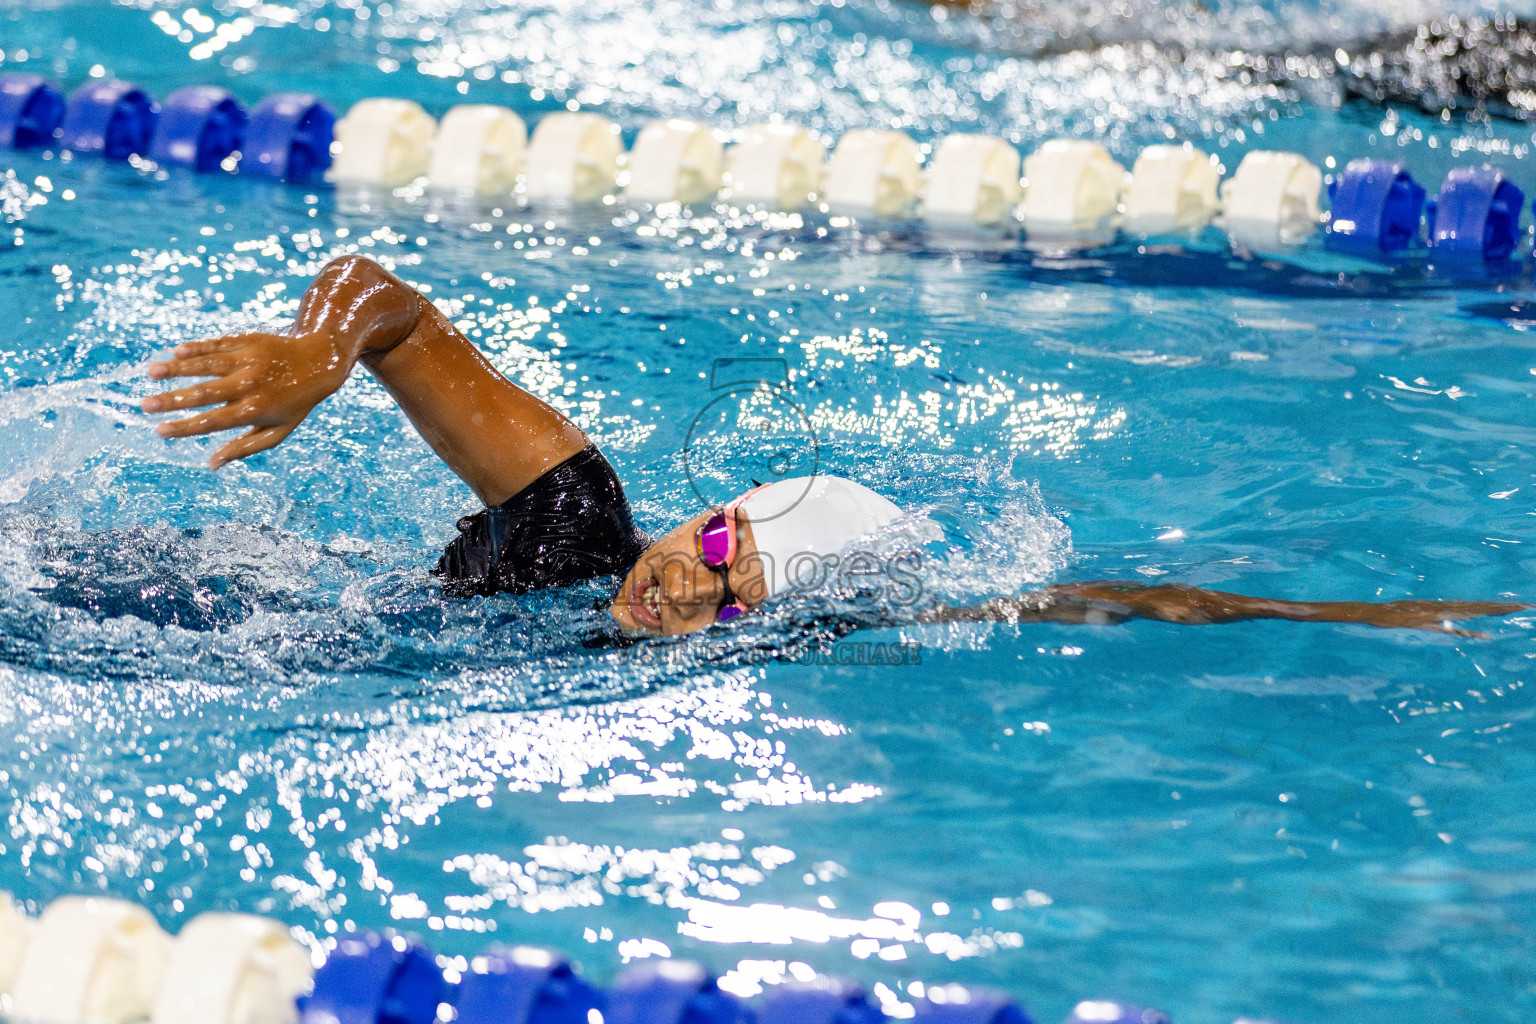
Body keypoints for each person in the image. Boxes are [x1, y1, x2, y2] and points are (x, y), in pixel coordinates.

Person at [141, 255, 1526, 639]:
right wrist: (321, 357)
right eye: (717, 547)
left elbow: (1078, 604)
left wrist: (1341, 618)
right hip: (186, 599)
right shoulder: (579, 522)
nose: (691, 584)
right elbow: (384, 300)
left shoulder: (748, 637)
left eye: (735, 596)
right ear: (707, 516)